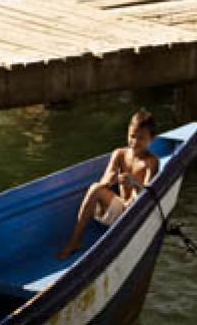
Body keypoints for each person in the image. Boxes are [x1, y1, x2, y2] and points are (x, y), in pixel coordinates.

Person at [58, 109, 159, 260]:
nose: (135, 142)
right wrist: (111, 179)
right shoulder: (119, 154)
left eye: (141, 138)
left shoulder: (151, 162)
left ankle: (111, 246)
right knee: (95, 188)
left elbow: (148, 194)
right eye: (132, 136)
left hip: (135, 213)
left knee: (133, 195)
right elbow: (105, 179)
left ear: (152, 139)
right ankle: (75, 241)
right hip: (119, 209)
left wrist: (134, 183)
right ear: (127, 133)